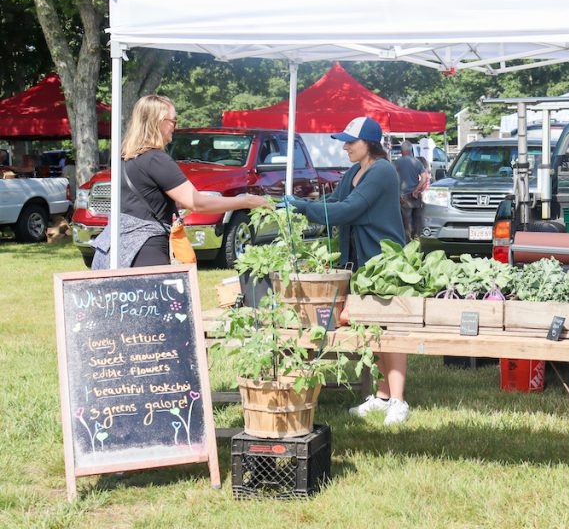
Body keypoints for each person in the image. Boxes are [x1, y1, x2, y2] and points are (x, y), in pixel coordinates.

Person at [282, 116, 411, 425]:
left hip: (383, 260)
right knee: (371, 328)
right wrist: (304, 205)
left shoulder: (382, 172)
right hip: (359, 260)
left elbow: (349, 210)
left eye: (350, 142)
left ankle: (398, 400)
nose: (345, 147)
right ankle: (381, 396)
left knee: (389, 331)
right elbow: (335, 201)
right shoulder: (355, 171)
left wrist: (301, 207)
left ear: (369, 143)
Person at [90, 95, 268, 268]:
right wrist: (247, 201)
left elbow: (139, 199)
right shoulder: (156, 159)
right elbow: (198, 203)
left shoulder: (124, 158)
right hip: (143, 252)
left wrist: (171, 204)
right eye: (173, 121)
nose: (175, 126)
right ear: (158, 121)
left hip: (112, 249)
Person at [394, 140, 426, 241]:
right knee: (417, 221)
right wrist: (417, 190)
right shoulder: (417, 162)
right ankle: (417, 241)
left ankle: (408, 245)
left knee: (406, 223)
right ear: (411, 150)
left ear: (401, 151)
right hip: (416, 196)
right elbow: (424, 178)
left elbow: (391, 178)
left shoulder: (396, 163)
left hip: (403, 197)